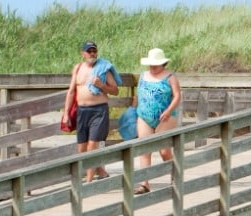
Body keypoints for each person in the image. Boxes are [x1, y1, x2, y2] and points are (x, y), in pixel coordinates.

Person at [122, 48, 183, 194]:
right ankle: (145, 183)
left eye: (155, 64)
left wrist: (168, 111)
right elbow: (139, 95)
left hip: (165, 116)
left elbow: (177, 95)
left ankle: (175, 175)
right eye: (151, 64)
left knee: (164, 151)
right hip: (144, 115)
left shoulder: (170, 77)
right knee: (144, 149)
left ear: (162, 63)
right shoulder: (143, 76)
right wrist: (133, 110)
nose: (153, 67)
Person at [69, 41, 119, 177]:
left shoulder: (103, 69)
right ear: (83, 53)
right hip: (82, 111)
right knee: (82, 147)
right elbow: (71, 91)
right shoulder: (78, 68)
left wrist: (101, 85)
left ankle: (88, 181)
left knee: (93, 144)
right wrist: (66, 114)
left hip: (99, 110)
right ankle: (95, 172)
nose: (92, 53)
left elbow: (115, 90)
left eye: (94, 51)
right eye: (89, 51)